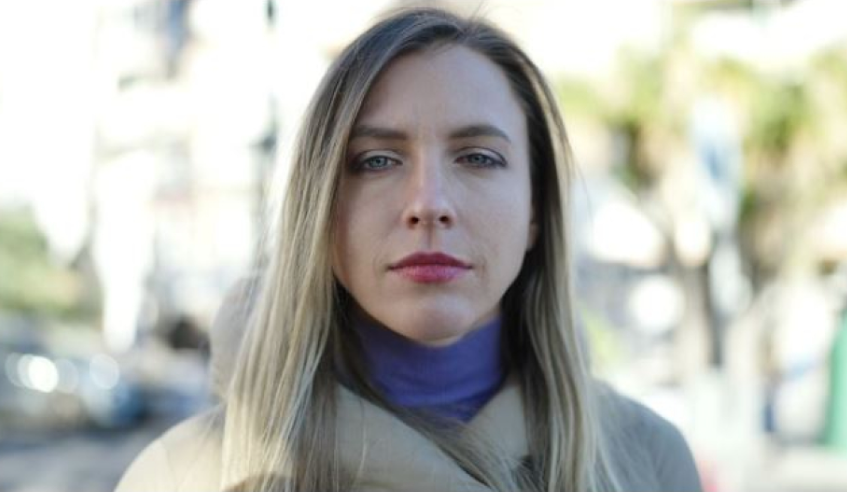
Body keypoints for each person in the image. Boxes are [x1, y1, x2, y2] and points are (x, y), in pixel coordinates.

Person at [116, 7, 703, 492]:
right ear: (319, 210)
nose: (428, 203)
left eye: (478, 157)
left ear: (535, 210)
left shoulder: (647, 459)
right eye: (377, 161)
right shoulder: (180, 476)